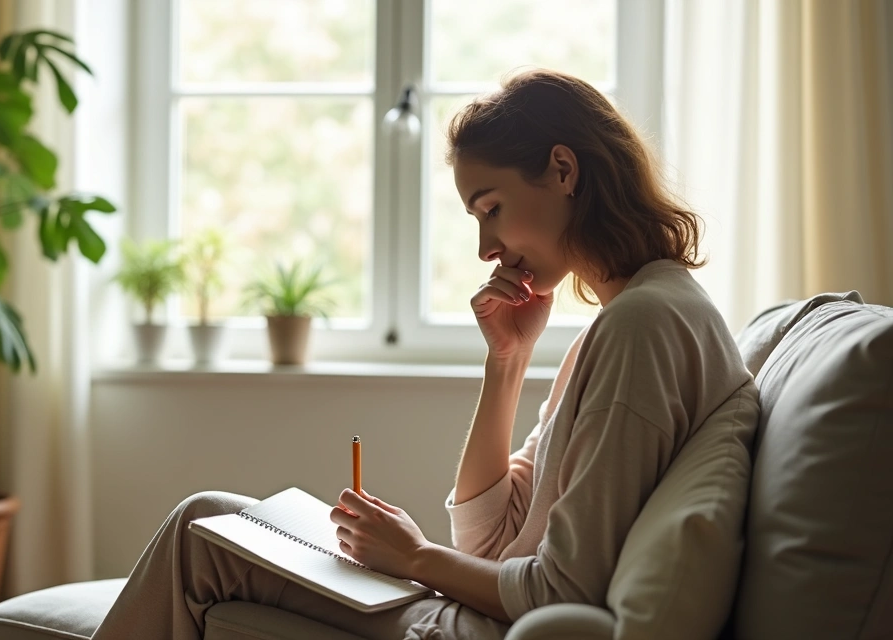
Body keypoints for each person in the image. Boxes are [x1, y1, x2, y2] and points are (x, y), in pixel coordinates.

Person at [92, 69, 760, 639]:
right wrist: (506, 362)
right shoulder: (627, 320)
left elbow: (564, 591)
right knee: (214, 520)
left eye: (491, 208)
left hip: (475, 629)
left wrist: (412, 557)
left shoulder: (643, 325)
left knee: (201, 527)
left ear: (563, 170)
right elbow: (487, 541)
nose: (485, 249)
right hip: (472, 611)